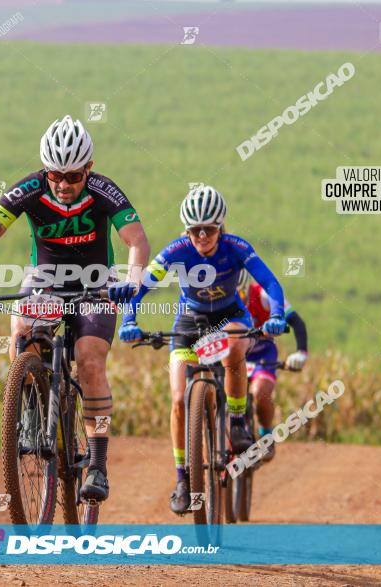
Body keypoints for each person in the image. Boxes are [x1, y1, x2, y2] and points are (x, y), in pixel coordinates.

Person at [0, 115, 150, 502]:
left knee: (89, 360)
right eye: (55, 175)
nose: (63, 184)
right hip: (46, 280)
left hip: (97, 281)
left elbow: (136, 240)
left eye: (73, 175)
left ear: (89, 167)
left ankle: (99, 465)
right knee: (22, 332)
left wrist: (133, 279)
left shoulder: (106, 191)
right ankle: (29, 414)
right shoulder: (29, 189)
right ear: (45, 169)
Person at [118, 185, 286, 514]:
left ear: (220, 227)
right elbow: (142, 286)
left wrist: (277, 315)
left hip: (230, 316)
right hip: (190, 321)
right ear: (187, 230)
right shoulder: (177, 250)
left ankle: (237, 421)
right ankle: (182, 478)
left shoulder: (237, 247)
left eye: (209, 229)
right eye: (195, 230)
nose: (203, 236)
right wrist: (129, 319)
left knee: (235, 344)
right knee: (179, 400)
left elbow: (271, 283)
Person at [238, 273, 309, 463]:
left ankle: (265, 433)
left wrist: (301, 353)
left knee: (261, 391)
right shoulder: (217, 297)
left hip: (262, 354)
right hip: (234, 354)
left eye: (240, 296)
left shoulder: (263, 296)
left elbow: (296, 322)